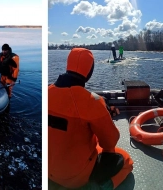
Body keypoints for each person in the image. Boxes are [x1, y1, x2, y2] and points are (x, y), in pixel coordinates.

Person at [48, 48, 133, 189]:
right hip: (74, 177)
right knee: (125, 160)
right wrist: (104, 116)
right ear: (89, 72)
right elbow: (110, 141)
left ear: (68, 65)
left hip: (48, 170)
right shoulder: (92, 102)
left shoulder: (47, 92)